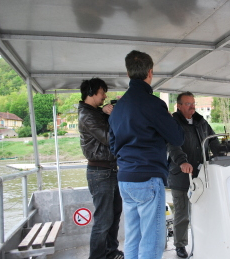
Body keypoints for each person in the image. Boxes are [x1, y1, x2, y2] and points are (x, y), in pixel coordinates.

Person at [109, 50, 184, 259]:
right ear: (150, 72)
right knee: (152, 240)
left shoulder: (118, 108)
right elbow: (177, 138)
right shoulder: (153, 104)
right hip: (148, 179)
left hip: (125, 180)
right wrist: (169, 118)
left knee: (133, 237)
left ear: (128, 73)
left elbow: (113, 146)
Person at [167, 91, 220, 258]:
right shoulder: (172, 123)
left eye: (193, 103)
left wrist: (221, 154)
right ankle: (180, 246)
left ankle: (204, 239)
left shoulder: (201, 122)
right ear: (179, 106)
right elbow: (173, 146)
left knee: (203, 210)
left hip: (202, 175)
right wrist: (182, 161)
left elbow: (212, 140)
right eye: (188, 104)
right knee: (182, 214)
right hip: (181, 176)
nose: (193, 107)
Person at [78, 78, 124, 259]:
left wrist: (107, 111)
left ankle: (111, 252)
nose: (105, 96)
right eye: (102, 92)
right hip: (99, 172)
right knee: (103, 220)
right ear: (91, 93)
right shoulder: (87, 115)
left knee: (114, 217)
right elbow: (108, 137)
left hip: (111, 170)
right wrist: (114, 114)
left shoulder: (95, 112)